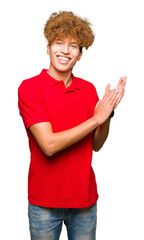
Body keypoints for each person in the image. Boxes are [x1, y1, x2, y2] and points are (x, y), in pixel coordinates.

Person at [18, 11, 126, 240]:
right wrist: (96, 119)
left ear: (80, 54)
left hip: (85, 201)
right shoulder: (30, 88)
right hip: (44, 203)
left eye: (73, 46)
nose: (65, 51)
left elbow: (96, 144)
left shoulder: (87, 90)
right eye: (59, 43)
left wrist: (106, 115)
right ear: (48, 48)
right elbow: (48, 145)